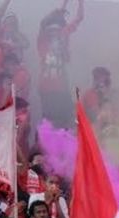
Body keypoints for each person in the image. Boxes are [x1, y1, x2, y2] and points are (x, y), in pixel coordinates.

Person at [37, 0, 84, 128]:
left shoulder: (63, 35)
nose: (54, 33)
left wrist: (80, 2)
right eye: (51, 31)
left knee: (68, 119)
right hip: (46, 88)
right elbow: (44, 22)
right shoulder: (43, 41)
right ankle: (45, 145)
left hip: (61, 86)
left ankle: (65, 144)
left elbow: (79, 18)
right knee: (50, 121)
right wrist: (58, 10)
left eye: (57, 30)